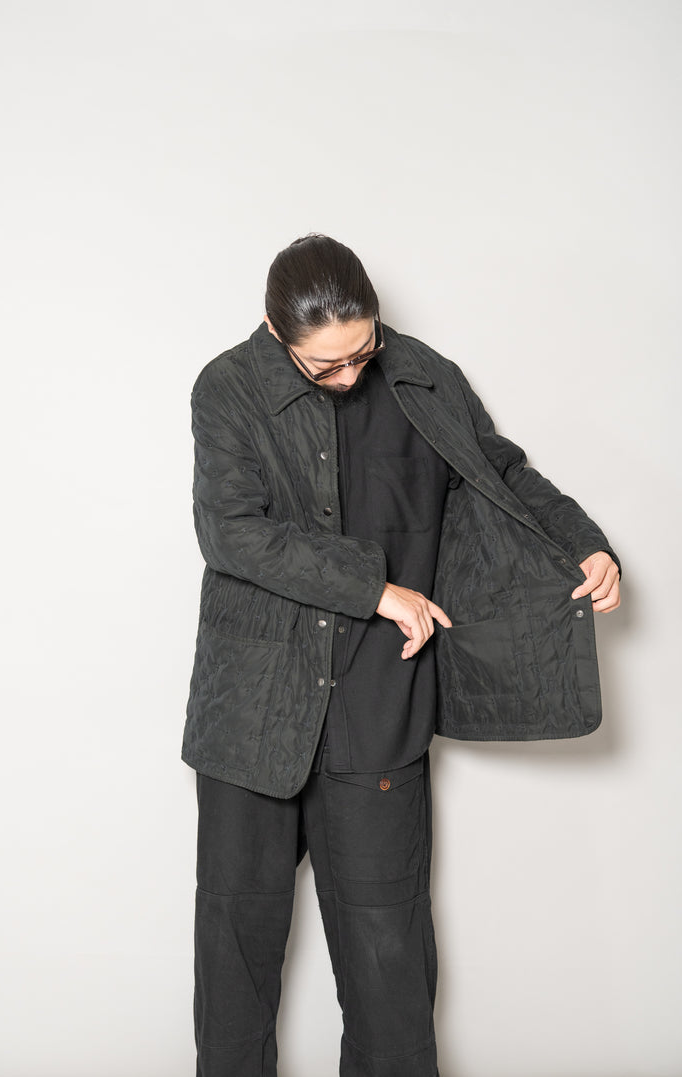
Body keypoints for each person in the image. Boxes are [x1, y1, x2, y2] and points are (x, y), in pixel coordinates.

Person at [181, 233, 621, 1077]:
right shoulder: (227, 387)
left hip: (379, 706)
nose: (351, 376)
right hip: (252, 717)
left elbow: (500, 475)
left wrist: (584, 542)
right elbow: (230, 532)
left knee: (391, 966)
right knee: (235, 963)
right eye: (326, 366)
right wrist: (375, 588)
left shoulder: (424, 376)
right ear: (274, 332)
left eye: (363, 351)